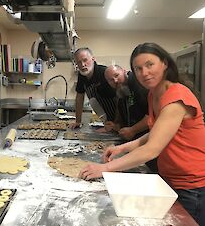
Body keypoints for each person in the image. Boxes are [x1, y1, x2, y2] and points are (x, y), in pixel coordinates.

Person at [79, 43, 205, 225]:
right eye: (138, 68)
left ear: (165, 64)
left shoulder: (176, 98)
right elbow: (155, 133)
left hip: (191, 186)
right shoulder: (154, 95)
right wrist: (122, 147)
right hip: (169, 178)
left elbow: (151, 149)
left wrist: (104, 169)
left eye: (149, 65)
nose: (144, 73)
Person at [69, 47, 116, 129]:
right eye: (79, 62)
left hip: (119, 115)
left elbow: (120, 98)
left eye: (85, 60)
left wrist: (118, 122)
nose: (83, 65)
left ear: (93, 59)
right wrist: (78, 121)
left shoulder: (104, 72)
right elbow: (79, 98)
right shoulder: (82, 75)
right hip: (107, 118)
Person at [103, 64, 149, 141]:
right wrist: (116, 126)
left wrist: (133, 130)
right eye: (110, 80)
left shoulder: (139, 83)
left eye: (117, 75)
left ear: (124, 71)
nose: (115, 80)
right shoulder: (121, 89)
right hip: (134, 140)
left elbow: (152, 116)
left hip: (148, 138)